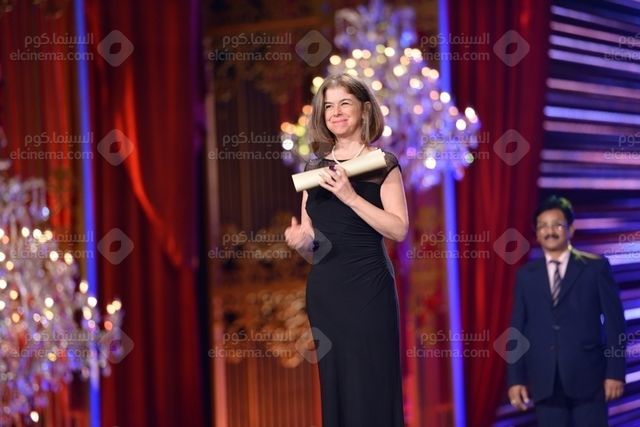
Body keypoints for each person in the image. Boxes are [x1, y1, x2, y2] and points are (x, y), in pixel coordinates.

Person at [284, 73, 408, 427]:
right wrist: (301, 241)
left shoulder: (382, 163)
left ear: (364, 109)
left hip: (369, 288)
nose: (335, 113)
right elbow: (313, 244)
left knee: (370, 383)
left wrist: (351, 197)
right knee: (337, 386)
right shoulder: (314, 170)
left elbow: (398, 229)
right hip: (327, 292)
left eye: (344, 104)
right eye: (328, 106)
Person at [507, 195, 626, 426]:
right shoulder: (526, 276)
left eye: (557, 225)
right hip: (545, 383)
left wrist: (615, 373)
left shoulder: (595, 268)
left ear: (570, 228)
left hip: (590, 381)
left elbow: (615, 324)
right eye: (543, 226)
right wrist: (515, 379)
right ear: (536, 233)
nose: (549, 231)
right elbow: (516, 329)